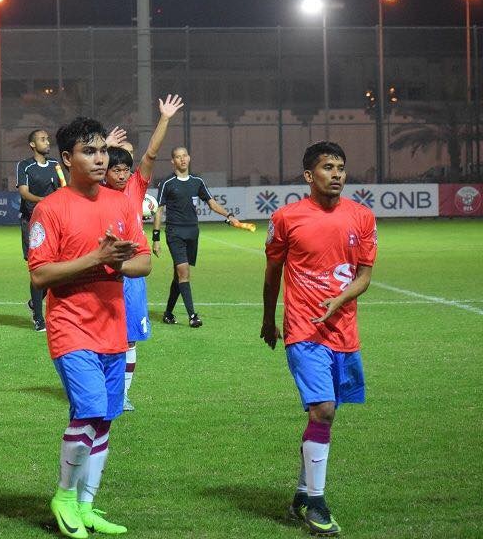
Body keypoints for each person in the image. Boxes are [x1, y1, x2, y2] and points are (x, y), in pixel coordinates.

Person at [28, 117, 151, 538]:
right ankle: (63, 496)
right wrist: (97, 259)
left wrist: (115, 262)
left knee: (104, 420)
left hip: (113, 326)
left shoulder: (120, 204)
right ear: (67, 158)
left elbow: (145, 262)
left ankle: (86, 505)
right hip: (71, 326)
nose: (100, 159)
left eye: (102, 150)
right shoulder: (50, 208)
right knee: (91, 410)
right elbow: (41, 276)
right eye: (89, 151)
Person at [261, 141, 376, 537]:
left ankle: (300, 494)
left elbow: (363, 275)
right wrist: (267, 318)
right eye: (328, 167)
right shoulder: (286, 218)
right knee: (323, 409)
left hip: (344, 331)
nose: (337, 174)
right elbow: (273, 272)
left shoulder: (361, 217)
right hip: (303, 329)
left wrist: (339, 300)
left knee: (325, 416)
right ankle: (317, 504)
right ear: (310, 175)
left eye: (341, 167)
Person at [104, 95, 183, 411]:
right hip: (103, 273)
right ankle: (104, 390)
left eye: (125, 169)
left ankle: (122, 395)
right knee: (103, 337)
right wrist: (102, 146)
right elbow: (75, 176)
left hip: (133, 273)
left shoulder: (136, 188)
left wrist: (165, 118)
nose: (122, 175)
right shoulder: (94, 193)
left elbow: (151, 153)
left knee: (130, 338)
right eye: (116, 169)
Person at [152, 145, 242, 327]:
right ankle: (192, 316)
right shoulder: (167, 183)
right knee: (184, 272)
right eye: (178, 157)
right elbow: (159, 211)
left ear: (189, 158)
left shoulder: (197, 182)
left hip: (193, 233)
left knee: (179, 276)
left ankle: (168, 313)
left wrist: (229, 216)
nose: (182, 159)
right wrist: (155, 239)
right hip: (174, 232)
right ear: (173, 161)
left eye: (185, 155)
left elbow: (212, 204)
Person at [16, 129, 65, 331]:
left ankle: (33, 303)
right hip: (32, 223)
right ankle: (38, 317)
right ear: (33, 144)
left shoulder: (55, 165)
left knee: (55, 271)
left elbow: (63, 185)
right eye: (42, 139)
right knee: (37, 269)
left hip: (54, 223)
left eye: (47, 139)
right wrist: (46, 202)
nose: (47, 142)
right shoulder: (25, 166)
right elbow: (24, 193)